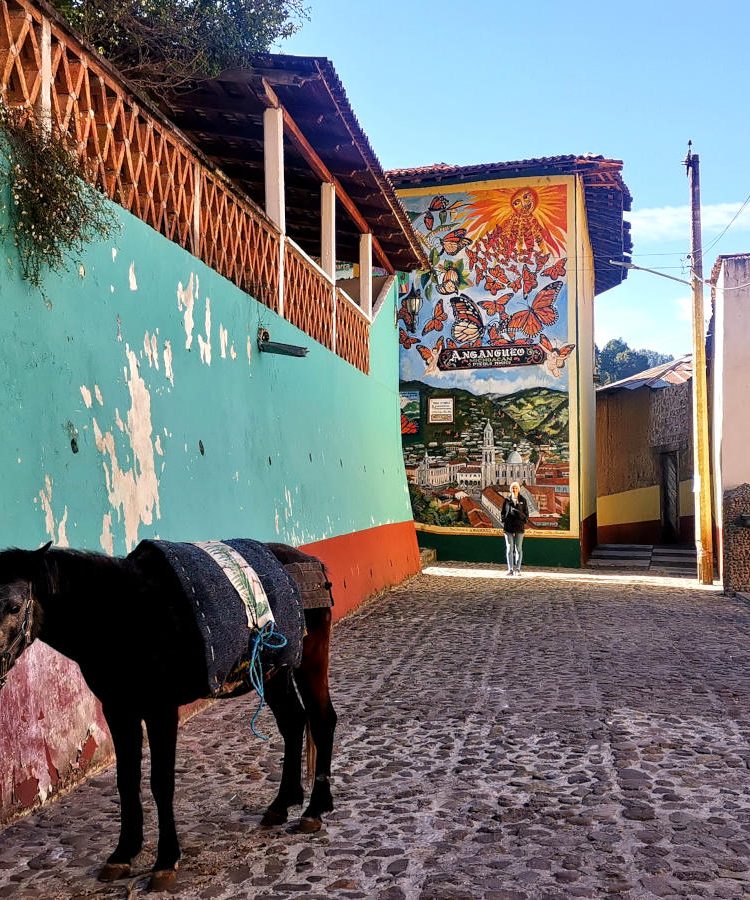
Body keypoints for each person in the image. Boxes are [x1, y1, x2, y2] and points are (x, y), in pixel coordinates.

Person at [501, 481, 528, 576]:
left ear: (518, 489)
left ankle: (518, 569)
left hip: (519, 527)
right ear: (511, 489)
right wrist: (504, 519)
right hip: (508, 527)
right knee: (509, 548)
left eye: (516, 488)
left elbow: (526, 515)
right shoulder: (507, 500)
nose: (514, 489)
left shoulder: (523, 500)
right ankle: (510, 569)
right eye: (513, 488)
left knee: (518, 549)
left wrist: (519, 514)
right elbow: (503, 512)